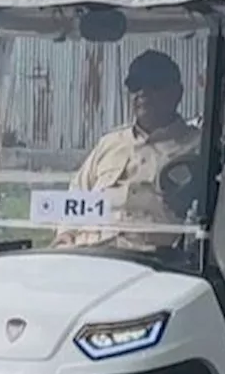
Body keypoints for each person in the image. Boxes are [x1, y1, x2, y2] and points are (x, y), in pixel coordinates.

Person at [51, 50, 199, 250]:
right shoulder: (109, 143)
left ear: (177, 92)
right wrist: (66, 234)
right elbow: (77, 193)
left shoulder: (198, 147)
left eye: (154, 84)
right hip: (87, 251)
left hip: (153, 261)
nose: (142, 93)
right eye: (135, 86)